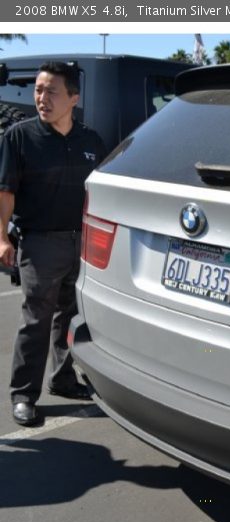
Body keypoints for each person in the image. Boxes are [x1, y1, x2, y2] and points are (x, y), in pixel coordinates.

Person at [0, 61, 107, 426]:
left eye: (51, 91)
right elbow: (6, 193)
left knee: (70, 317)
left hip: (81, 244)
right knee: (36, 320)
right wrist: (1, 238)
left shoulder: (91, 141)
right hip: (39, 244)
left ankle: (62, 378)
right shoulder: (20, 137)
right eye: (38, 91)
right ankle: (23, 395)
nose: (41, 98)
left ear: (73, 98)